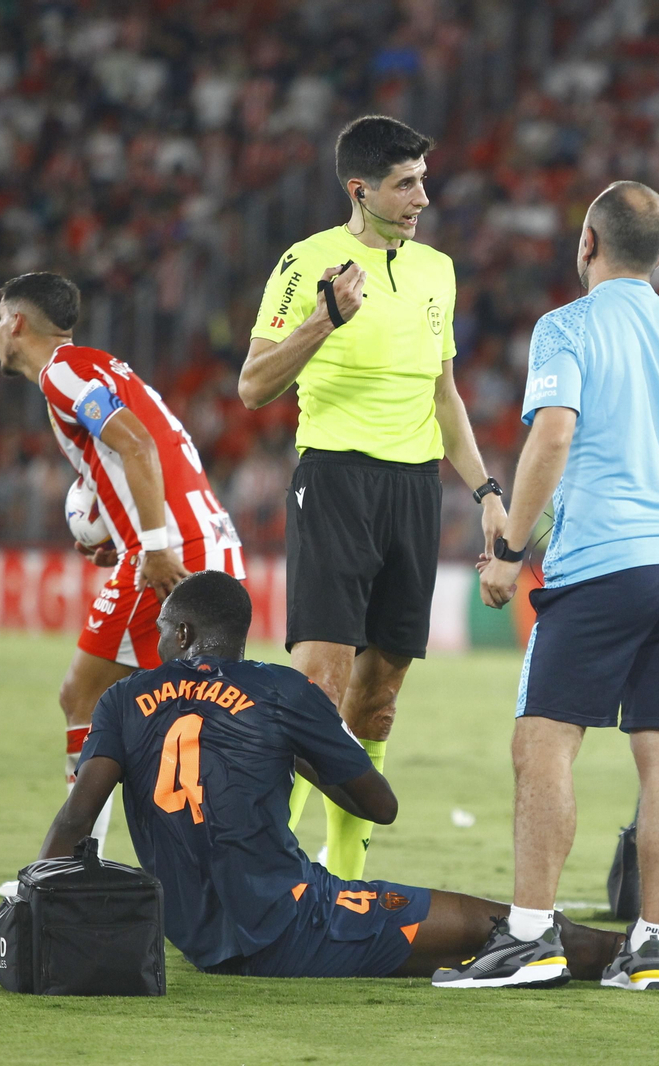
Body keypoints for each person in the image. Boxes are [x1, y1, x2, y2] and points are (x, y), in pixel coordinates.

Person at [41, 571, 659, 987]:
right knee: (510, 929)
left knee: (488, 940)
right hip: (288, 924)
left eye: (160, 629)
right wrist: (311, 753)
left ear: (182, 633)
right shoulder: (280, 691)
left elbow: (75, 823)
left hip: (197, 933)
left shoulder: (124, 700)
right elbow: (379, 806)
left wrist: (37, 926)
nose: (155, 637)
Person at [462, 181, 659, 991]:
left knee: (543, 741)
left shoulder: (566, 327)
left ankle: (532, 936)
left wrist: (507, 549)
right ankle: (651, 949)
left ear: (587, 244)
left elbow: (556, 433)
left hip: (604, 561)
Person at [237, 115, 507, 881]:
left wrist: (486, 491)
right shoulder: (309, 263)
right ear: (361, 189)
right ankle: (271, 873)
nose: (423, 194)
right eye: (406, 182)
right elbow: (253, 386)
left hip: (415, 490)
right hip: (335, 479)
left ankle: (345, 874)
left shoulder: (438, 271)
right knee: (318, 684)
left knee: (379, 697)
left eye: (424, 177)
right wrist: (327, 319)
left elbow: (446, 397)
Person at [0, 271, 244, 877]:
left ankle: (75, 871)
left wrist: (152, 545)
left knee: (85, 697)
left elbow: (137, 446)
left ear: (17, 323)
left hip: (172, 554)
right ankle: (223, 872)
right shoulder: (104, 368)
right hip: (211, 543)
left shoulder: (62, 372)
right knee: (194, 723)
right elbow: (136, 449)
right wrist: (124, 531)